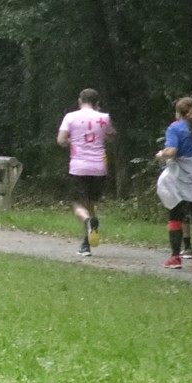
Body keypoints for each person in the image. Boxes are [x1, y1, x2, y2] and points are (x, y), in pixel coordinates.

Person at [56, 87, 116, 256]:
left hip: (79, 166)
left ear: (80, 101)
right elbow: (112, 136)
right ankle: (86, 244)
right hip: (99, 167)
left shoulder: (71, 117)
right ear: (97, 103)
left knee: (77, 204)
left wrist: (72, 141)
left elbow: (61, 140)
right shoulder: (104, 118)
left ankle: (87, 221)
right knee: (90, 204)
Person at [154, 97, 192, 268]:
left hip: (179, 179)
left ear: (178, 112)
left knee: (175, 216)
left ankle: (175, 257)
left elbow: (171, 152)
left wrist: (160, 154)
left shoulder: (175, 128)